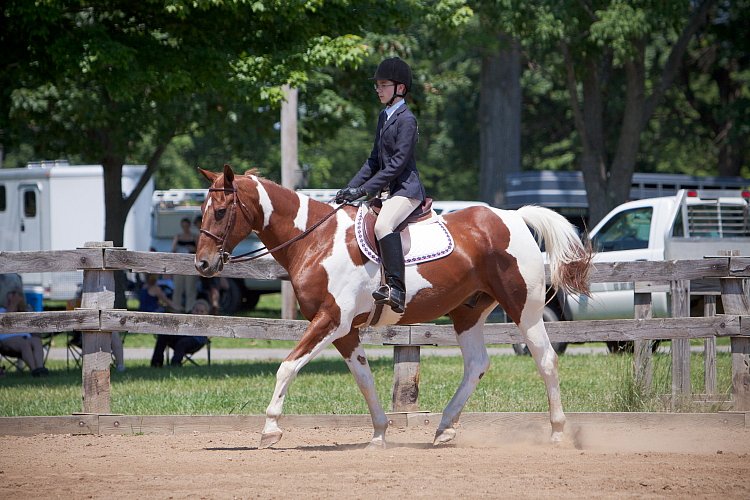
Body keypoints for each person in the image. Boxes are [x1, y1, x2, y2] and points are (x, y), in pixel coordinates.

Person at [335, 57, 426, 314]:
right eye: (377, 85)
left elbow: (396, 164)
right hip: (389, 191)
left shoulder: (407, 120)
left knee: (384, 224)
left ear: (400, 88)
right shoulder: (384, 116)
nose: (378, 89)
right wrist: (348, 189)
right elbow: (374, 160)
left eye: (383, 85)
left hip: (406, 190)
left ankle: (396, 289)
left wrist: (364, 191)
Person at [0, 289, 49, 376]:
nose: (15, 297)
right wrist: (13, 304)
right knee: (25, 344)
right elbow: (7, 319)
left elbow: (35, 326)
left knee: (36, 341)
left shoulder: (24, 311)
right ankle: (34, 371)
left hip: (26, 338)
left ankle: (40, 368)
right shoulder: (2, 311)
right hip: (6, 340)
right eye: (12, 295)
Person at [150, 299, 210, 367]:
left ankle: (175, 364)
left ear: (206, 313)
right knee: (163, 335)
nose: (198, 313)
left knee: (182, 342)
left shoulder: (208, 322)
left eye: (201, 311)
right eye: (196, 310)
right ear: (192, 310)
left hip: (196, 341)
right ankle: (156, 363)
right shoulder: (187, 318)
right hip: (182, 337)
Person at [171, 217, 198, 312]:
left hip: (190, 266)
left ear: (189, 226)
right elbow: (173, 250)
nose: (185, 228)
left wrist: (192, 249)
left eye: (187, 226)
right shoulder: (178, 236)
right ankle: (176, 308)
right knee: (177, 288)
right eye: (183, 226)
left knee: (190, 289)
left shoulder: (194, 237)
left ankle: (190, 309)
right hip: (179, 265)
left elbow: (199, 251)